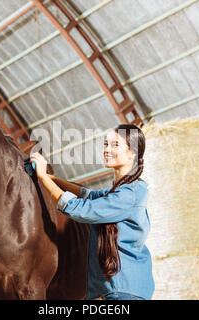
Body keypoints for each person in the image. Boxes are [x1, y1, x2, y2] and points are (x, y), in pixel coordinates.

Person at [29, 123, 154, 300]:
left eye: (115, 145)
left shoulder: (129, 195)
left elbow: (79, 209)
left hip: (126, 292)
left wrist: (42, 177)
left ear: (132, 154)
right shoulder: (122, 191)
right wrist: (51, 178)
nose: (107, 149)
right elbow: (87, 195)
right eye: (105, 144)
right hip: (118, 290)